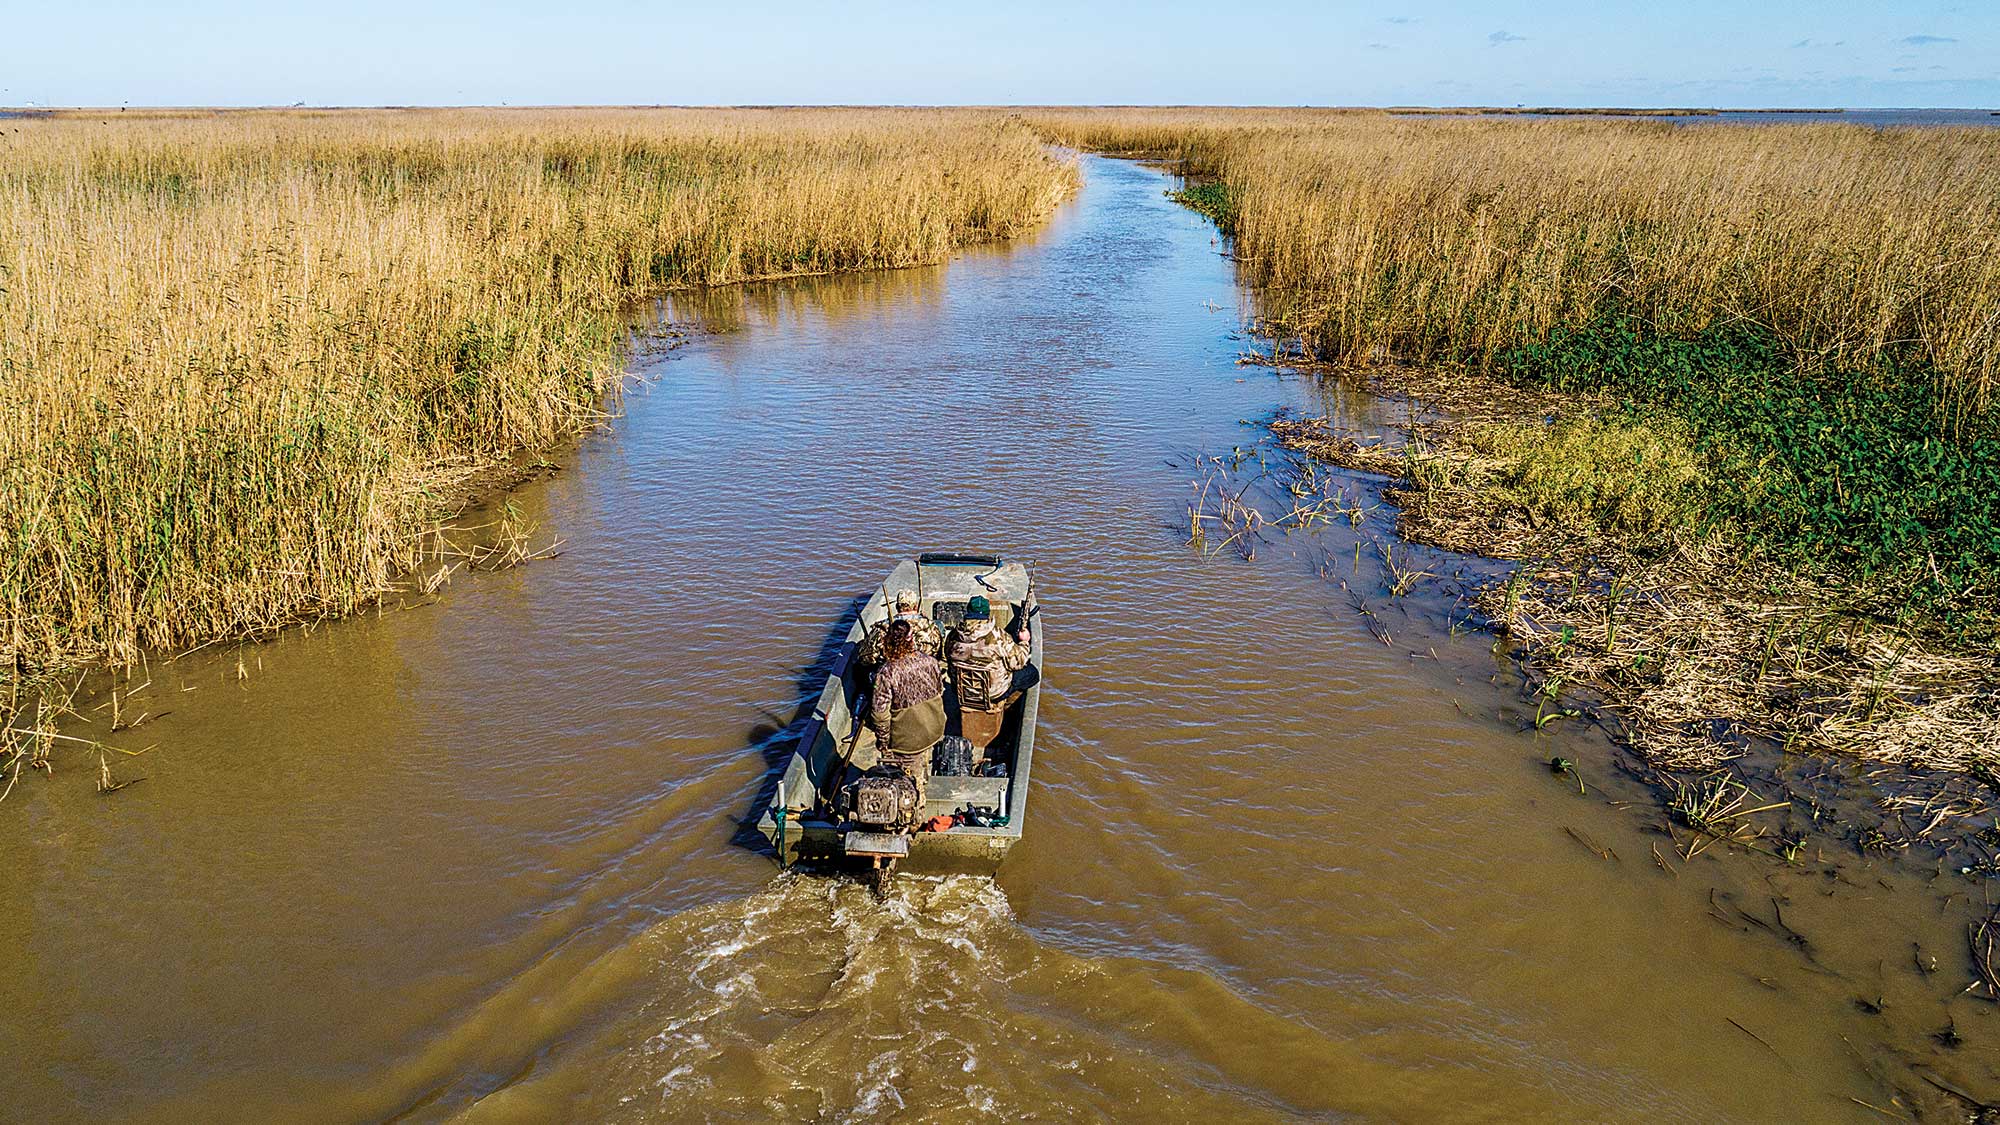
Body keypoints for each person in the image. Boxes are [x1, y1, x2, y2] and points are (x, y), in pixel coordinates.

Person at [866, 619, 947, 803]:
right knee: (923, 754)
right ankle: (922, 773)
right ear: (911, 639)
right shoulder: (931, 661)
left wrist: (884, 743)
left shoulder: (886, 673)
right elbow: (940, 690)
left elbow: (880, 715)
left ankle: (916, 808)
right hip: (935, 728)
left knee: (910, 782)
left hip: (908, 741)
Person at [944, 594, 1031, 755]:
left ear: (967, 612)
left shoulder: (953, 636)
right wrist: (1024, 641)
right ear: (987, 614)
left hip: (963, 692)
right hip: (994, 693)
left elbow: (946, 657)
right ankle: (1008, 707)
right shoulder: (999, 637)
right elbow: (1019, 661)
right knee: (1031, 673)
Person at [857, 589, 942, 668]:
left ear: (897, 607)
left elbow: (866, 658)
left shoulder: (881, 629)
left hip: (891, 674)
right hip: (923, 671)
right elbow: (938, 654)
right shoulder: (932, 627)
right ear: (916, 606)